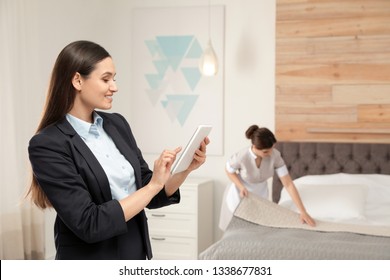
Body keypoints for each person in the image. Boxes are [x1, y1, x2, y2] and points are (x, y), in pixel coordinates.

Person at [27, 40, 209, 260]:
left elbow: (147, 191)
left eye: (114, 79)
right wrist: (153, 186)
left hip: (135, 252)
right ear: (77, 80)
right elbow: (89, 223)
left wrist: (183, 170)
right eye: (106, 79)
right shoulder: (48, 144)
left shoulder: (117, 124)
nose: (114, 87)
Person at [219, 125, 315, 230]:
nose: (270, 154)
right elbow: (229, 171)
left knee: (256, 230)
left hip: (260, 194)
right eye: (265, 152)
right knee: (235, 232)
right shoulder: (241, 156)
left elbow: (288, 184)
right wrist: (241, 187)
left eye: (271, 149)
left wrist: (303, 212)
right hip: (238, 194)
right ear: (254, 147)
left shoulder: (275, 156)